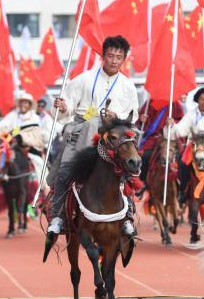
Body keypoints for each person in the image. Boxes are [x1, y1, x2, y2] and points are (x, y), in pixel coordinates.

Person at [47, 36, 139, 237]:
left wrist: (117, 117)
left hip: (112, 138)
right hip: (82, 131)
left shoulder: (128, 86)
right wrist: (63, 107)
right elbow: (68, 107)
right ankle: (57, 217)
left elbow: (133, 116)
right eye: (110, 56)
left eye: (119, 57)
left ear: (124, 59)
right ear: (103, 56)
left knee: (129, 170)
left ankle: (128, 217)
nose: (114, 60)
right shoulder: (83, 79)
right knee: (65, 171)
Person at [166, 87, 204, 205]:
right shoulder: (190, 115)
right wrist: (172, 125)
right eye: (202, 99)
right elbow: (181, 130)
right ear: (197, 100)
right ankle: (183, 191)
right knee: (183, 164)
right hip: (193, 146)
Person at [0, 92, 45, 185]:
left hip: (28, 147)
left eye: (25, 102)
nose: (23, 104)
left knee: (39, 164)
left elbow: (36, 135)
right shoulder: (12, 115)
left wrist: (21, 137)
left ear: (29, 104)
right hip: (12, 145)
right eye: (21, 102)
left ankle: (42, 185)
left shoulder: (34, 118)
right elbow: (3, 127)